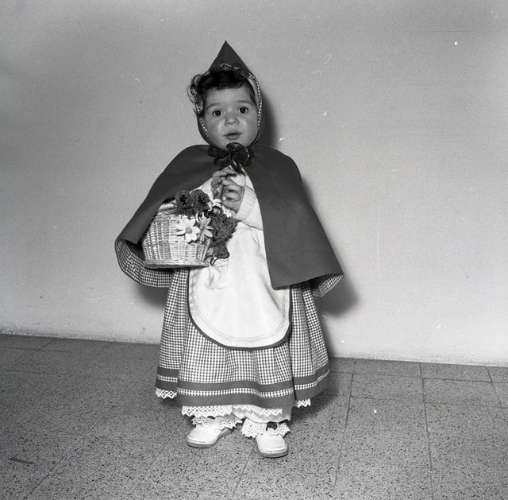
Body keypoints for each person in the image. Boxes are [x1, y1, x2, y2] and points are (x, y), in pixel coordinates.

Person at [114, 41, 343, 458]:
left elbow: (296, 221)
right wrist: (199, 202)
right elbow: (166, 209)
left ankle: (268, 417)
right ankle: (212, 413)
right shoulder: (188, 163)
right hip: (209, 273)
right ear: (202, 121)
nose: (231, 120)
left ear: (258, 114)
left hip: (265, 276)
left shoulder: (280, 166)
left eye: (242, 109)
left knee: (268, 337)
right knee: (208, 341)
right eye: (217, 112)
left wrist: (250, 206)